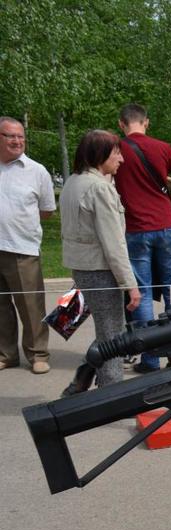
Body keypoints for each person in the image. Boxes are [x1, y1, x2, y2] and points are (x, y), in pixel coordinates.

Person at [114, 103, 171, 373]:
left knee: (142, 294)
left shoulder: (115, 150)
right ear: (146, 122)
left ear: (121, 123)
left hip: (135, 229)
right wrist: (166, 179)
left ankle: (150, 360)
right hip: (167, 226)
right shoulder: (163, 148)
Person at [59, 130, 142, 387]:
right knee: (112, 335)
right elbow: (113, 243)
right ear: (100, 154)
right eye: (117, 153)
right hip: (100, 270)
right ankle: (111, 391)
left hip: (84, 267)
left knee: (107, 329)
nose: (122, 159)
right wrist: (130, 285)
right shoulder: (99, 188)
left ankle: (82, 381)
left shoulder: (73, 182)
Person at [0, 116, 56, 374]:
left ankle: (38, 355)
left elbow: (47, 210)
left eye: (20, 136)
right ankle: (6, 354)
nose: (17, 141)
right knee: (1, 307)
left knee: (31, 307)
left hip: (23, 249)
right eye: (10, 136)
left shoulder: (37, 171)